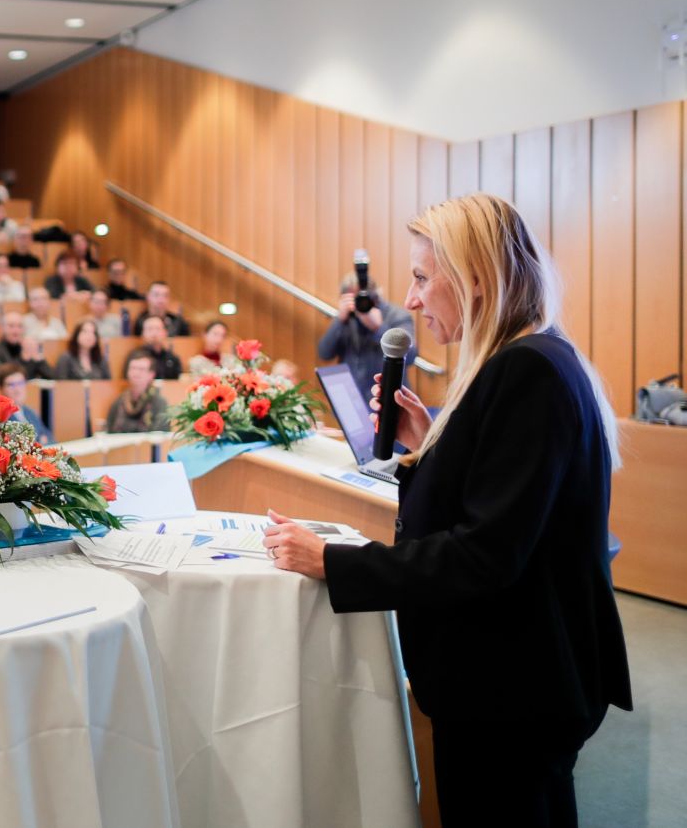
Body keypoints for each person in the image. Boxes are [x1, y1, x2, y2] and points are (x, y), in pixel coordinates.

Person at [267, 196, 630, 825]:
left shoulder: (527, 370)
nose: (410, 300)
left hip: (511, 687)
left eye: (421, 277)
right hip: (516, 680)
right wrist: (427, 444)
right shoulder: (530, 356)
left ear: (475, 278)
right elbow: (495, 497)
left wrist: (333, 561)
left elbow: (485, 554)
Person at [318, 272, 418, 406]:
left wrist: (379, 328)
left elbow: (410, 356)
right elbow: (324, 353)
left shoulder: (397, 315)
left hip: (388, 401)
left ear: (375, 295)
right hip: (352, 402)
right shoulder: (347, 318)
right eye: (354, 299)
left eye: (362, 297)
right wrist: (339, 320)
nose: (359, 303)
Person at [105, 354, 170, 433]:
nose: (136, 373)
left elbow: (161, 432)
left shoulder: (159, 402)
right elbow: (110, 431)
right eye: (133, 368)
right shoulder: (119, 402)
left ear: (151, 375)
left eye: (141, 369)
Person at [0, 311, 53, 379]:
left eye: (20, 326)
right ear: (2, 328)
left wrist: (39, 360)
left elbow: (52, 378)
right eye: (11, 326)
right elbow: (1, 376)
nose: (16, 331)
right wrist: (23, 360)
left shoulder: (27, 349)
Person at [0, 364, 52, 443]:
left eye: (20, 383)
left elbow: (50, 437)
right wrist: (40, 440)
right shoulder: (0, 417)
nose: (17, 390)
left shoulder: (30, 411)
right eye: (11, 385)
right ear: (1, 388)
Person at [127, 315, 185, 381]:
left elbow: (178, 382)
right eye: (150, 329)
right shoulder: (135, 357)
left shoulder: (172, 358)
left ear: (165, 332)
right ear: (142, 333)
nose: (154, 333)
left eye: (158, 329)